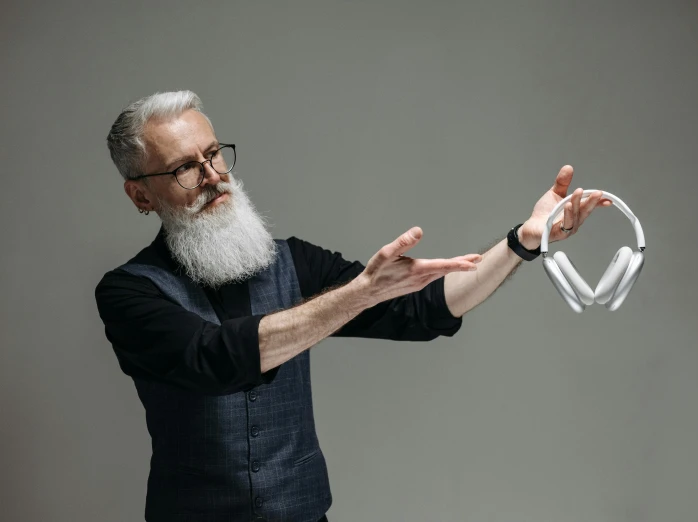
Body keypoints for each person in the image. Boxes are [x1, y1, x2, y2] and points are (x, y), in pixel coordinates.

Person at [95, 90, 610, 522]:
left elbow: (423, 311)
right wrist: (360, 292)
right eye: (186, 168)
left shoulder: (293, 262)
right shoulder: (129, 292)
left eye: (214, 154)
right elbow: (212, 358)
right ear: (141, 196)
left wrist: (522, 240)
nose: (213, 175)